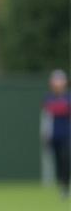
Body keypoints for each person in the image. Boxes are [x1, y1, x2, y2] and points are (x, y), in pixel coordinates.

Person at [43, 69, 70, 198]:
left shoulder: (68, 98)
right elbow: (46, 117)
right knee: (58, 161)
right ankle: (62, 186)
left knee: (66, 159)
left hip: (67, 135)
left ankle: (66, 186)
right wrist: (45, 135)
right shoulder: (48, 98)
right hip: (53, 136)